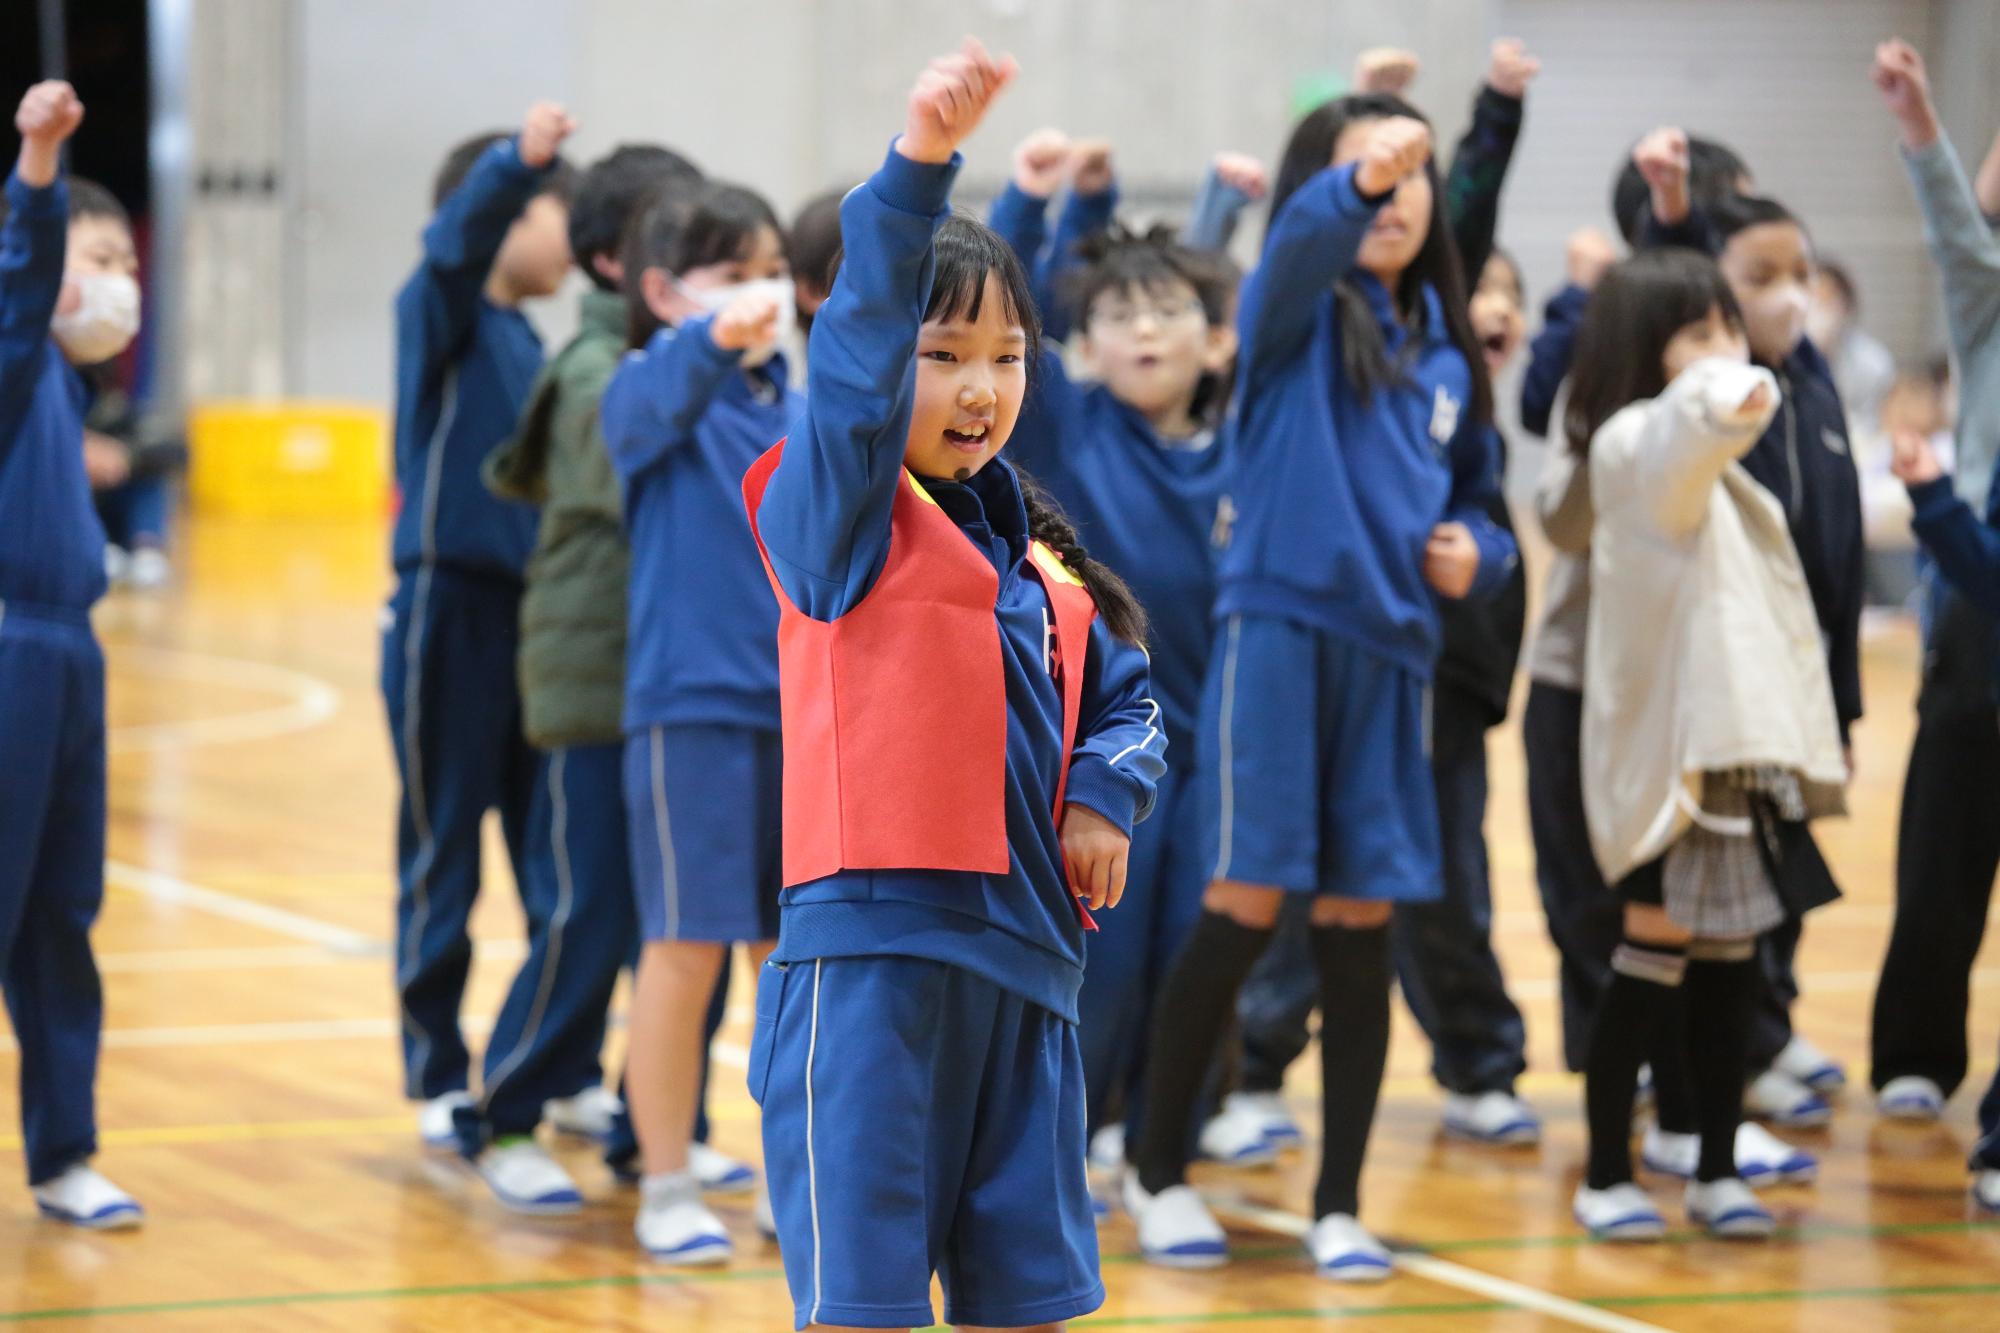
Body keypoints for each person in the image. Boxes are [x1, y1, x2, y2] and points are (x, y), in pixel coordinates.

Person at [744, 40, 1168, 1332]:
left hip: (1032, 985)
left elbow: (1132, 699)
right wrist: (921, 164)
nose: (981, 387)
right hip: (872, 975)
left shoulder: (1046, 557)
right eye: (946, 355)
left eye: (1007, 355)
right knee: (865, 1312)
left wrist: (1104, 789)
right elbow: (855, 368)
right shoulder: (835, 522)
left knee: (1027, 1304)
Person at [1123, 92, 1514, 1281]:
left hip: (1393, 660)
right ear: (1322, 191)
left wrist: (1476, 553)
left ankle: (1340, 1200)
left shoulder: (1446, 351)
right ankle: (1154, 1174)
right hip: (1278, 635)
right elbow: (1293, 244)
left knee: (1359, 922)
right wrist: (1344, 189)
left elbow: (1481, 506)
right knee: (1242, 901)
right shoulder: (1290, 312)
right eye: (1362, 178)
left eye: (1406, 177)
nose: (1390, 197)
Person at [468, 141, 739, 1213]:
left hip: (687, 699)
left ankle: (654, 1127)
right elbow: (648, 480)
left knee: (691, 923)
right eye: (682, 249)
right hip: (599, 685)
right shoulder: (599, 374)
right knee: (590, 915)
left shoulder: (709, 372)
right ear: (620, 265)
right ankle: (506, 1111)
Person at [1563, 249, 1845, 1242]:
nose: (1722, 349)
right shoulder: (1638, 443)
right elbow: (1699, 415)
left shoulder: (1714, 469)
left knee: (1731, 966)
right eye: (1698, 331)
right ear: (1645, 349)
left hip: (1731, 755)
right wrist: (1739, 367)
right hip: (1671, 758)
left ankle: (1716, 1166)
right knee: (1652, 955)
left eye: (1727, 327)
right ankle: (1604, 1173)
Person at [987, 131, 1240, 1171]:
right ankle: (1076, 1129)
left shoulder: (1244, 441)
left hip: (1219, 738)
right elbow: (1003, 309)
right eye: (1118, 316)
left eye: (1166, 313)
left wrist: (1224, 210)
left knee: (1200, 939)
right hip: (1100, 742)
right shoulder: (1071, 427)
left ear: (1212, 340)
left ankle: (1168, 1127)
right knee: (1109, 945)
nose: (1143, 328)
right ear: (1083, 345)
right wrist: (1033, 203)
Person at [600, 180, 800, 1262]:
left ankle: (788, 1175)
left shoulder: (794, 412)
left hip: (800, 717)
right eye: (732, 272)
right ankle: (665, 1179)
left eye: (768, 267)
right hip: (691, 714)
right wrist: (709, 339)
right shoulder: (650, 393)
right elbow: (641, 408)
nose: (760, 290)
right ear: (667, 291)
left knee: (792, 956)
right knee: (681, 951)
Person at [380, 101, 580, 1171]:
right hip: (445, 614)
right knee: (442, 843)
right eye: (556, 209)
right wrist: (518, 162)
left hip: (532, 623)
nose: (570, 230)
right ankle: (432, 1066)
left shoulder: (531, 345)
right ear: (502, 217)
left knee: (553, 859)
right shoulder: (443, 312)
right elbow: (449, 247)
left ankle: (551, 1062)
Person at [0, 78, 144, 1229]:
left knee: (62, 908)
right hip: (7, 650)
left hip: (72, 655)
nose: (119, 287)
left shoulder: (58, 379)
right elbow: (17, 286)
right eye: (101, 259)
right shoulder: (9, 353)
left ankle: (62, 1150)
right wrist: (41, 163)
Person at [1867, 38, 2000, 1134]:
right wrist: (1919, 125)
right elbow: (1960, 231)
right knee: (1943, 838)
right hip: (1977, 586)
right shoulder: (1991, 303)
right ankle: (1912, 1051)